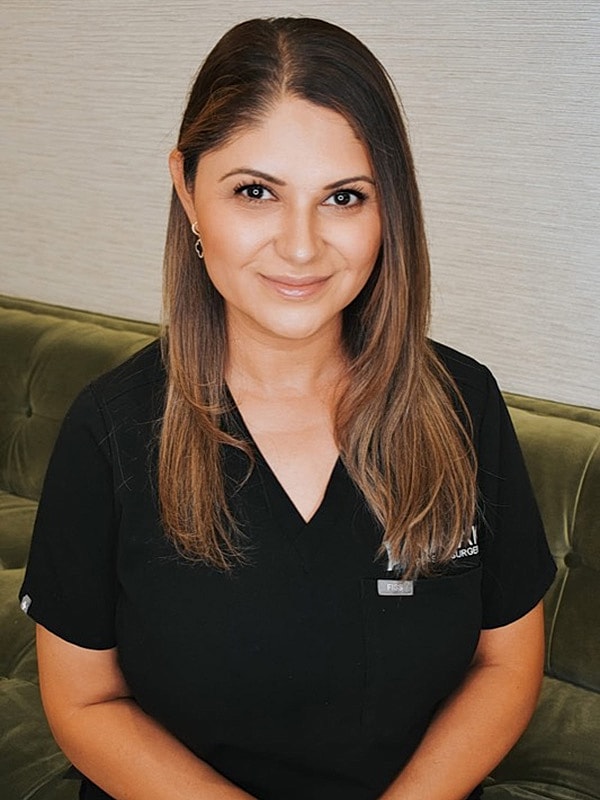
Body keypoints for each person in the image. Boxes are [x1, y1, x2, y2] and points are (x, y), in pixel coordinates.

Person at [19, 16, 556, 800]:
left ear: (388, 210)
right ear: (188, 192)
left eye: (342, 196)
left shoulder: (465, 406)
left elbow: (505, 662)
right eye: (255, 191)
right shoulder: (110, 431)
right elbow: (83, 700)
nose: (301, 247)